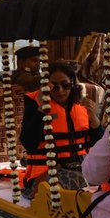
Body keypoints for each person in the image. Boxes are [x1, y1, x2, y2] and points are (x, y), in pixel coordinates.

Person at [19, 62, 103, 194]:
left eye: (65, 85)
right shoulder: (34, 103)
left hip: (82, 168)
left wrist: (94, 119)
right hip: (48, 173)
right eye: (55, 87)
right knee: (77, 183)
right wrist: (41, 109)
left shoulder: (82, 105)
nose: (61, 91)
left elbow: (100, 144)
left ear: (72, 84)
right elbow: (28, 142)